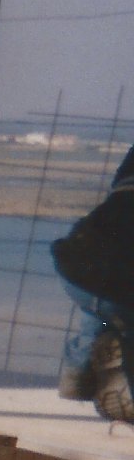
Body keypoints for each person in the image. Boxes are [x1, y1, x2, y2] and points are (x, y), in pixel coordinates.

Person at [50, 142, 134, 417]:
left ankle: (78, 373)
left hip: (78, 270)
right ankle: (123, 380)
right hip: (121, 284)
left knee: (100, 310)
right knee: (120, 306)